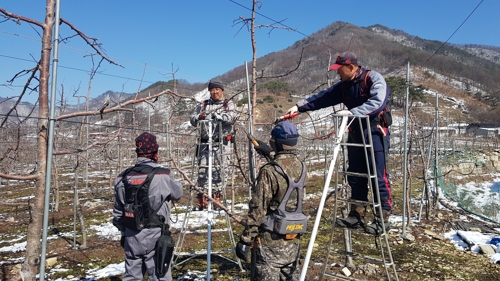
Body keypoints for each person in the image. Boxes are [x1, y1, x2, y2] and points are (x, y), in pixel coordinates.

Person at [286, 51, 392, 234]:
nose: (337, 73)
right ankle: (356, 214)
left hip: (374, 130)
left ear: (351, 67)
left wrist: (353, 113)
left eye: (340, 69)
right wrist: (298, 107)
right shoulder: (343, 86)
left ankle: (382, 217)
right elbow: (321, 98)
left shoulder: (373, 78)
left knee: (377, 174)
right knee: (355, 174)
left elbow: (378, 102)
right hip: (355, 132)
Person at [236, 121, 307, 281]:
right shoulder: (302, 167)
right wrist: (270, 153)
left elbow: (258, 208)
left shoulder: (268, 172)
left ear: (276, 142)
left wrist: (246, 239)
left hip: (269, 247)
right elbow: (286, 167)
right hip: (293, 243)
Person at [112, 132, 183, 281]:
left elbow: (118, 212)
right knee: (160, 275)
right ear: (155, 152)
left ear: (138, 152)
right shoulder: (163, 175)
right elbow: (178, 194)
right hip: (157, 235)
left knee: (132, 276)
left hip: (132, 234)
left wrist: (124, 233)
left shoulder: (121, 177)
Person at [189, 78, 238, 209]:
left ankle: (217, 198)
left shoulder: (228, 104)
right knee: (202, 171)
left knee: (220, 171)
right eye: (212, 90)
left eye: (217, 89)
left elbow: (233, 117)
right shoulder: (203, 105)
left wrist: (221, 117)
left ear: (222, 90)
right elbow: (192, 119)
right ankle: (202, 198)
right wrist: (200, 117)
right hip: (204, 144)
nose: (215, 92)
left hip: (221, 144)